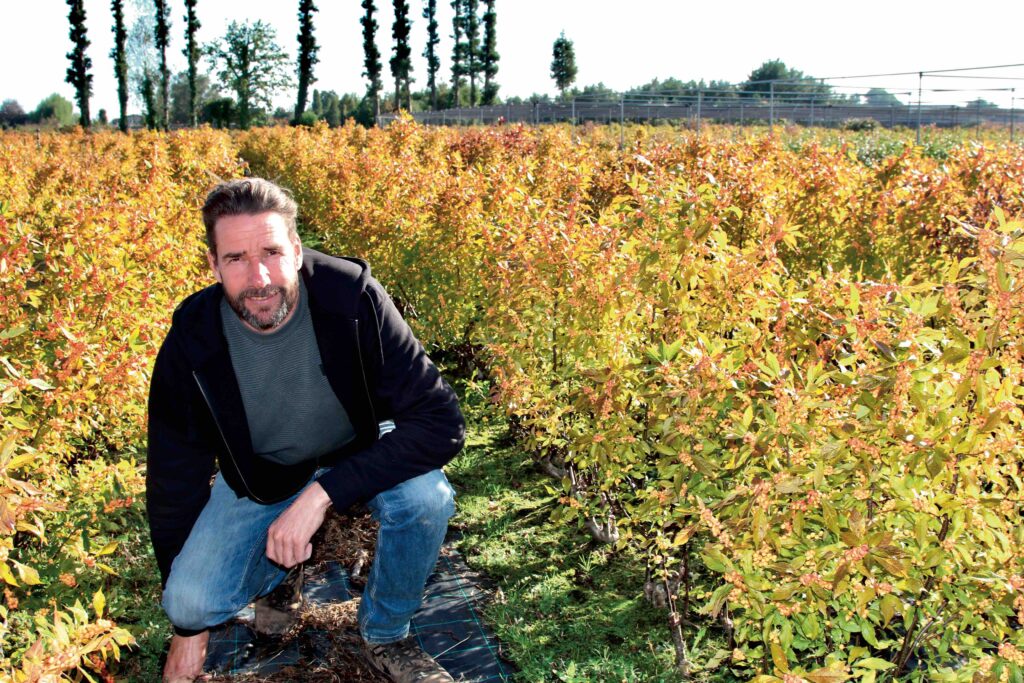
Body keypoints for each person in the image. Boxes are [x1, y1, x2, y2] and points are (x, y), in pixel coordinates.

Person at [146, 177, 465, 683]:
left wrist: (321, 496)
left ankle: (386, 634)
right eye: (236, 259)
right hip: (262, 474)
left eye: (272, 251)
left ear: (296, 250)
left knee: (426, 500)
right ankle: (283, 569)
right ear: (213, 265)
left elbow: (442, 423)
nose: (259, 276)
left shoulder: (350, 296)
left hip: (357, 450)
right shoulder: (193, 337)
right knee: (189, 602)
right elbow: (172, 477)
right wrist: (187, 630)